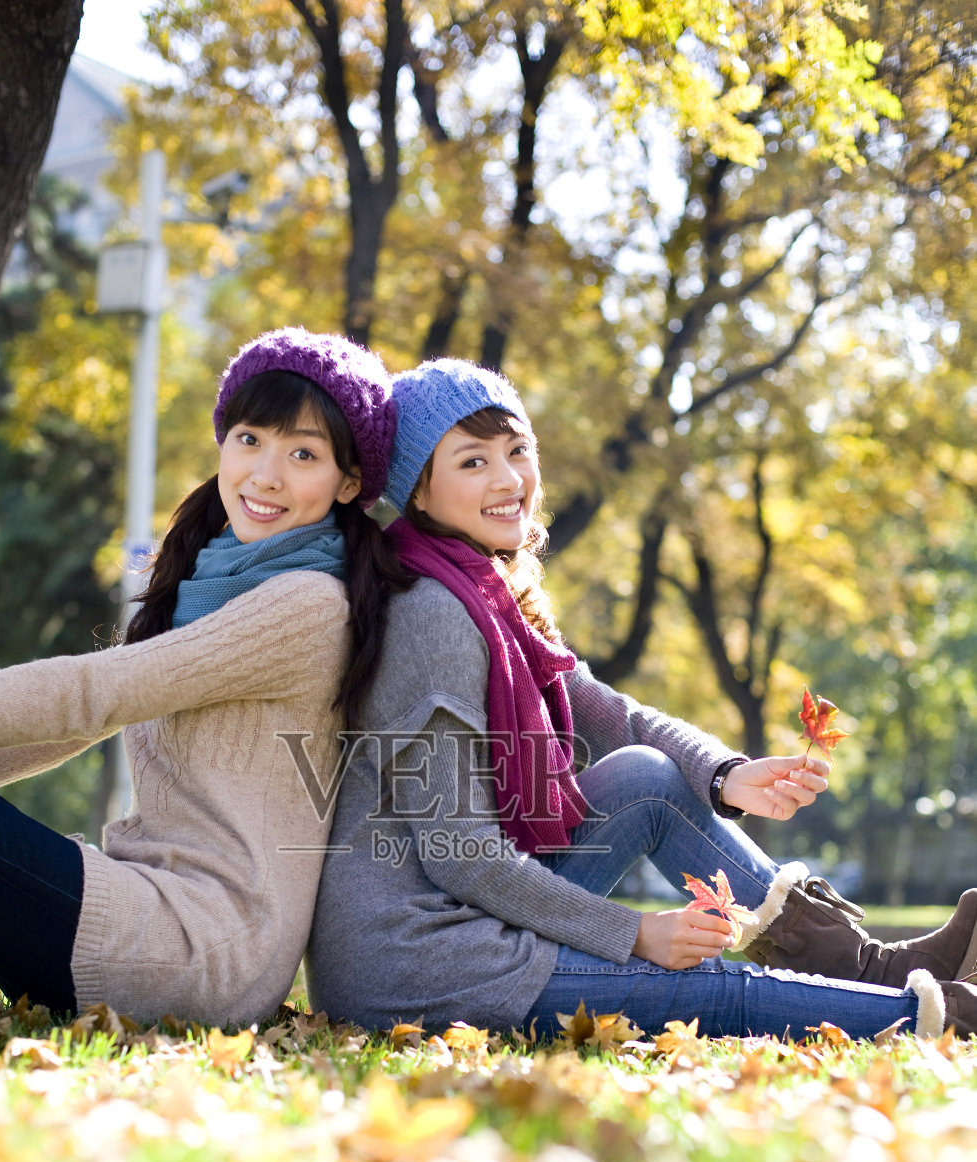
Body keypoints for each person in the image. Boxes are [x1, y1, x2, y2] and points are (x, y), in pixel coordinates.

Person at [307, 356, 977, 1041]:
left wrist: (725, 774)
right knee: (706, 987)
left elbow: (609, 714)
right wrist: (633, 931)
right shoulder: (430, 613)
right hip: (416, 963)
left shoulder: (484, 592)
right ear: (417, 492)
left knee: (647, 779)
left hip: (468, 918)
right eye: (472, 462)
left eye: (517, 450)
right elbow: (461, 854)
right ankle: (940, 1015)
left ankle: (866, 966)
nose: (508, 479)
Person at [0, 327, 395, 1025]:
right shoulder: (210, 581)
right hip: (152, 916)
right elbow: (82, 724)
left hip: (199, 949)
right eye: (250, 439)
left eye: (303, 454)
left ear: (348, 483)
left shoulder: (308, 605)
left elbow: (91, 694)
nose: (265, 474)